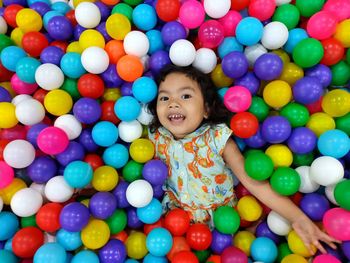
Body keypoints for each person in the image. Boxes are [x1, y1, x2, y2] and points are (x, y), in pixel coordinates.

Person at [147, 64, 339, 255]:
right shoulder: (156, 137)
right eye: (164, 97)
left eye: (185, 96)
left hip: (223, 227)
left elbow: (252, 181)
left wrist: (298, 218)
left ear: (206, 109)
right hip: (172, 225)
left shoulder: (218, 139)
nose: (173, 103)